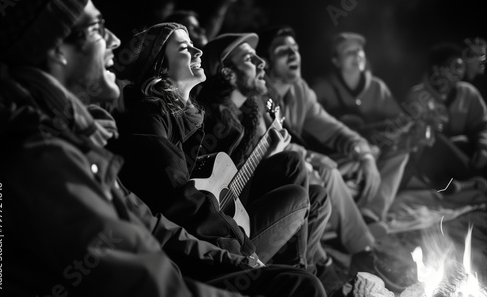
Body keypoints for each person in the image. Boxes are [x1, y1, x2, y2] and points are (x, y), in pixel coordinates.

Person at [0, 0, 325, 297]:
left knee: (298, 275)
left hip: (182, 260)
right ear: (57, 47)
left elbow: (151, 225)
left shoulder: (77, 136)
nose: (116, 41)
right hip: (176, 272)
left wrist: (233, 258)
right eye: (97, 28)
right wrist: (238, 252)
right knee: (299, 284)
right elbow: (147, 267)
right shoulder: (41, 156)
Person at [112, 23, 313, 269]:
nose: (198, 52)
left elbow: (216, 186)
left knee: (305, 185)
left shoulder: (190, 115)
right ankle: (291, 273)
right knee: (299, 192)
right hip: (201, 245)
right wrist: (243, 248)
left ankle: (296, 270)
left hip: (216, 231)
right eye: (185, 48)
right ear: (160, 66)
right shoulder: (152, 113)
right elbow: (181, 197)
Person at [256, 25, 414, 292]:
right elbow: (270, 145)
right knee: (326, 172)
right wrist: (315, 156)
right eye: (283, 51)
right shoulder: (259, 94)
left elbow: (332, 129)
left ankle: (366, 221)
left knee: (380, 154)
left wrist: (363, 152)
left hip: (318, 164)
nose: (293, 55)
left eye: (295, 49)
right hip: (275, 178)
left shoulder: (300, 91)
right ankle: (357, 251)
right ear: (267, 61)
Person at [194, 33, 344, 294]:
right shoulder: (211, 120)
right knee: (292, 166)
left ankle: (296, 273)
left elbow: (238, 179)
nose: (261, 62)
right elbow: (213, 190)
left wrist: (269, 153)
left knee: (317, 197)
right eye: (249, 58)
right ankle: (299, 276)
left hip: (240, 209)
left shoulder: (249, 114)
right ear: (228, 73)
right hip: (226, 233)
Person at [310, 32, 410, 222]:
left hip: (371, 151)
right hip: (338, 156)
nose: (357, 55)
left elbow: (398, 120)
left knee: (400, 151)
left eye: (359, 51)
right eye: (349, 52)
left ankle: (371, 213)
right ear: (335, 60)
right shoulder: (321, 89)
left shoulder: (377, 87)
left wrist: (397, 129)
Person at [403, 42, 487, 191]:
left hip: (467, 156)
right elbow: (413, 137)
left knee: (465, 142)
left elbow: (482, 125)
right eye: (454, 67)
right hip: (433, 158)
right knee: (432, 141)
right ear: (437, 69)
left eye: (461, 67)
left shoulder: (468, 93)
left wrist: (483, 148)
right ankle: (467, 182)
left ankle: (463, 182)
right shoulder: (418, 96)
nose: (459, 72)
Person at [462, 36, 487, 103]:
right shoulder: (455, 85)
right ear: (467, 56)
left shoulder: (484, 86)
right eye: (481, 55)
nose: (484, 61)